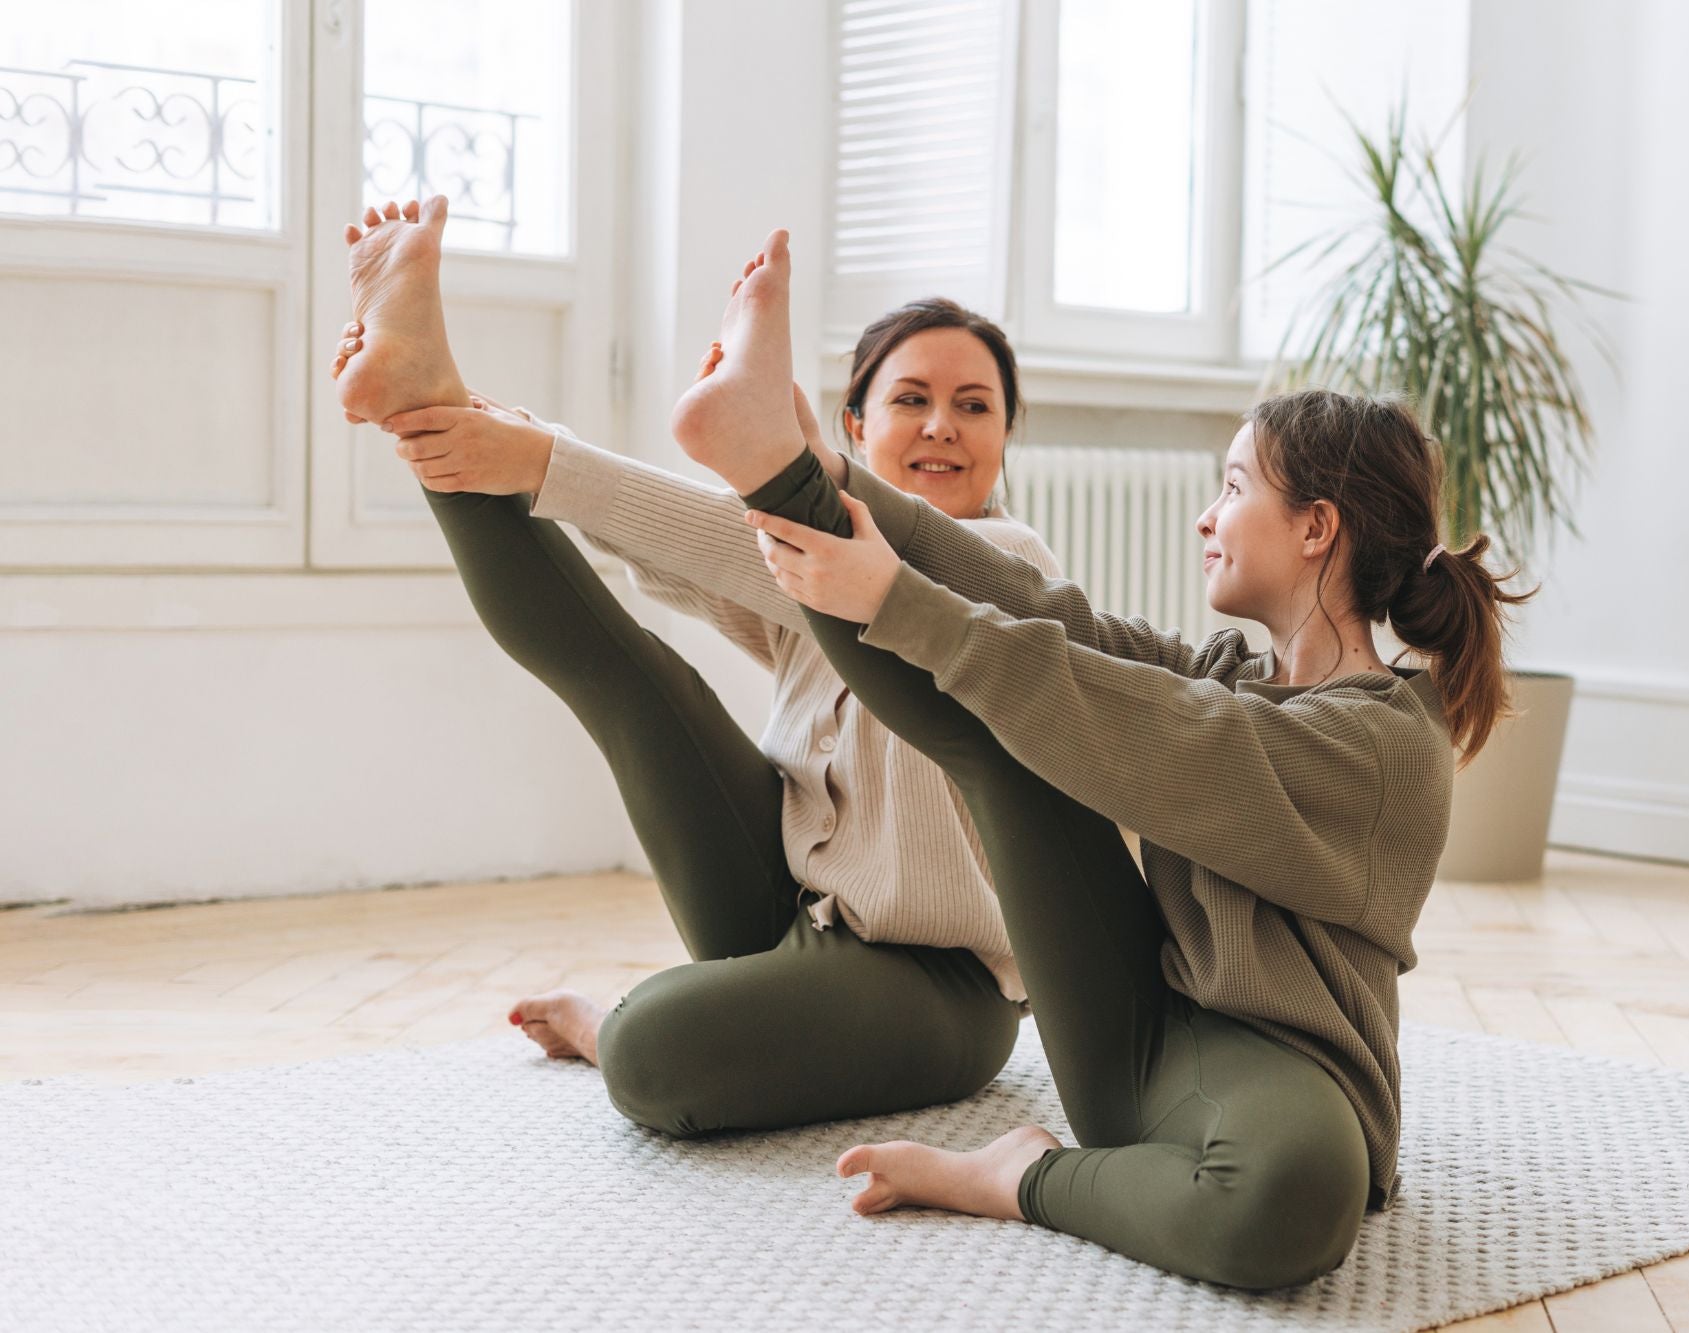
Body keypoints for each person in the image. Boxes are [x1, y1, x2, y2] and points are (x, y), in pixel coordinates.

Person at [670, 228, 1535, 1289]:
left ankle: (1016, 1175)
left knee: (1286, 1199)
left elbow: (1156, 729)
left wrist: (893, 603)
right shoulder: (1232, 670)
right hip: (1123, 1032)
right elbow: (1041, 612)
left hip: (1279, 1069)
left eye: (1231, 489)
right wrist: (825, 475)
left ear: (1315, 528)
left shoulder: (1380, 744)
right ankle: (771, 455)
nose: (1205, 517)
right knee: (1015, 706)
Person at [329, 196, 1067, 1138]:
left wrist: (544, 455)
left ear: (1006, 436)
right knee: (636, 683)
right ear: (854, 425)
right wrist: (483, 429)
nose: (941, 427)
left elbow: (732, 542)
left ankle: (617, 1028)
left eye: (974, 406)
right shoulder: (809, 561)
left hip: (941, 985)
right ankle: (418, 393)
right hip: (785, 902)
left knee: (644, 1051)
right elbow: (688, 556)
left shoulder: (1017, 569)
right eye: (910, 400)